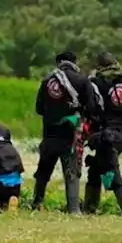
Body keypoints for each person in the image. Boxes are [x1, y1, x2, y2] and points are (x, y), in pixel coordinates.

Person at [29, 51, 99, 213]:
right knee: (72, 173)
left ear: (59, 62)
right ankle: (73, 209)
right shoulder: (81, 81)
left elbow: (39, 108)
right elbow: (91, 108)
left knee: (43, 173)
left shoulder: (47, 81)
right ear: (75, 62)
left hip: (49, 134)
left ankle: (37, 204)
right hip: (71, 136)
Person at [83, 50, 122, 216]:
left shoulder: (99, 82)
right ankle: (89, 208)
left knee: (112, 174)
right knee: (95, 169)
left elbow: (89, 94)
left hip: (107, 135)